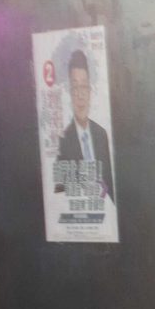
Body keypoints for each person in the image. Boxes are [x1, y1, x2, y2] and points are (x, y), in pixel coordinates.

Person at [51, 48, 114, 203]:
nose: (80, 95)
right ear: (69, 93)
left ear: (90, 91)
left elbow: (111, 189)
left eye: (84, 87)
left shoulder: (101, 134)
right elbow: (59, 197)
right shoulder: (62, 140)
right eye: (75, 88)